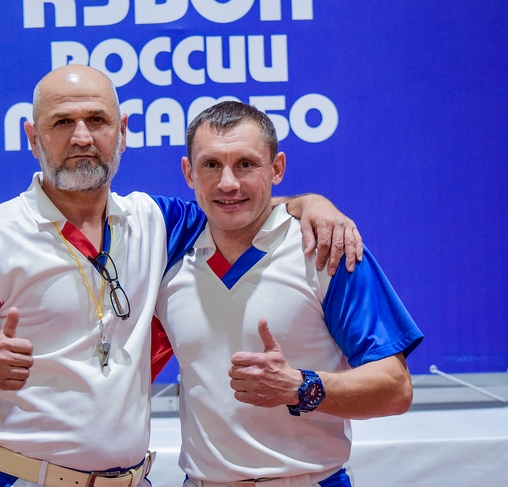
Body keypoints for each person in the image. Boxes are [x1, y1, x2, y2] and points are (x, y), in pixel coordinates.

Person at [0, 65, 363, 487]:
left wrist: (311, 204)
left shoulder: (155, 222)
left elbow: (235, 206)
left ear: (122, 132)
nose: (82, 137)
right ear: (32, 137)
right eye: (62, 122)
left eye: (97, 121)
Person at [154, 101, 423, 487]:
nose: (228, 183)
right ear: (188, 172)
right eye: (211, 164)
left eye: (246, 164)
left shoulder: (325, 247)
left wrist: (299, 386)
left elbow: (395, 388)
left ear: (277, 168)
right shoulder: (169, 248)